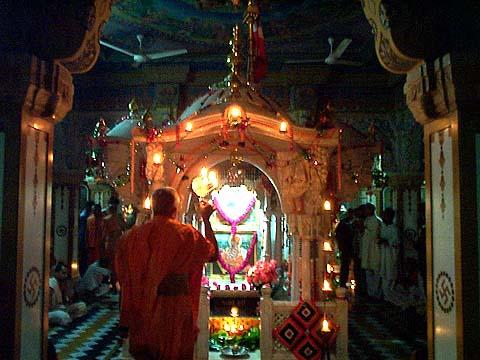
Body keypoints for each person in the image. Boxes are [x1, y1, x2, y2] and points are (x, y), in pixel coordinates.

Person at [115, 187, 219, 359]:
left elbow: (124, 280)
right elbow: (213, 253)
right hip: (175, 315)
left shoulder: (131, 238)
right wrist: (206, 220)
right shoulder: (186, 235)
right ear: (175, 210)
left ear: (153, 208)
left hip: (142, 314)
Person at [103, 195, 126, 288]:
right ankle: (113, 283)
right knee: (113, 266)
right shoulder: (107, 219)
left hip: (116, 245)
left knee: (116, 265)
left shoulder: (117, 218)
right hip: (112, 245)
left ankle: (115, 283)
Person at [360, 203, 382, 299]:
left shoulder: (377, 221)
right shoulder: (366, 220)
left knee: (376, 271)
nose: (365, 211)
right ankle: (370, 293)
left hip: (375, 249)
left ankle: (376, 293)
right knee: (368, 272)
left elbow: (375, 235)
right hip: (366, 249)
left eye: (367, 209)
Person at [379, 208, 400, 297]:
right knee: (383, 274)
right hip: (383, 253)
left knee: (390, 274)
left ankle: (389, 294)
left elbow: (395, 242)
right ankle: (385, 295)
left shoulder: (394, 228)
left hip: (391, 255)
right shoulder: (382, 226)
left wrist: (387, 241)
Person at [335, 208, 355, 288]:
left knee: (347, 265)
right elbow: (338, 234)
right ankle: (343, 282)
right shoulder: (344, 223)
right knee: (345, 265)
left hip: (350, 247)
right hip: (346, 247)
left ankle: (345, 281)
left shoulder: (350, 223)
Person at [78, 200, 94, 276]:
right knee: (84, 259)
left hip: (82, 240)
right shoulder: (86, 217)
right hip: (84, 240)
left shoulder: (83, 215)